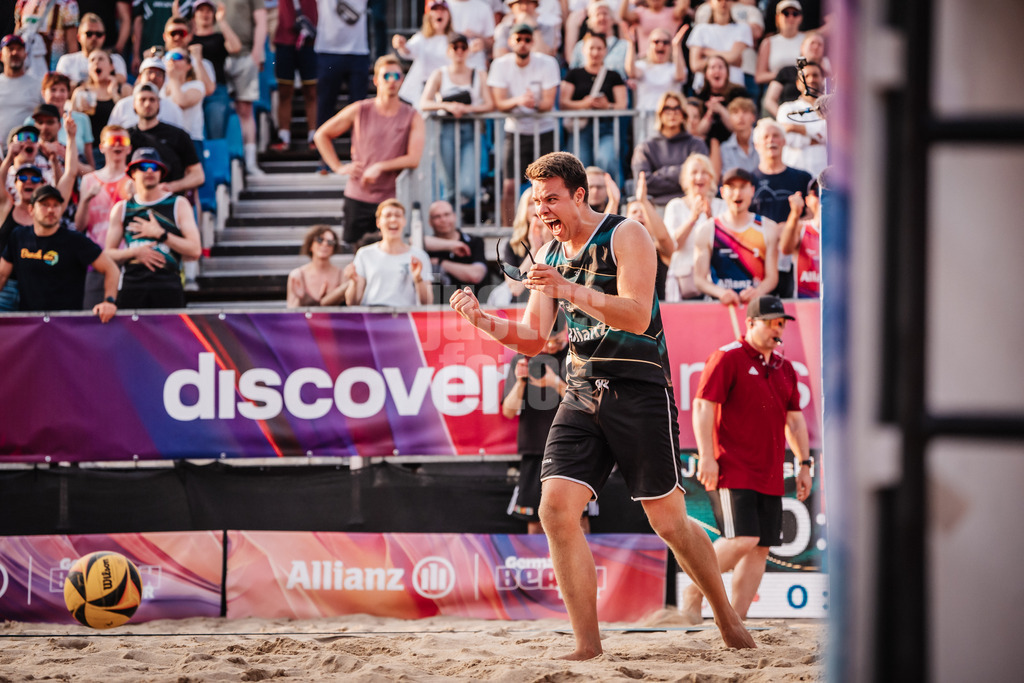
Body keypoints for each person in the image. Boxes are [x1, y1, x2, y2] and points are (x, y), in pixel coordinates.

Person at [449, 151, 756, 658]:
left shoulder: (625, 234)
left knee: (669, 523)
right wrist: (482, 321)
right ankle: (588, 647)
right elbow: (534, 338)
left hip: (639, 387)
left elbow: (636, 316)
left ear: (579, 195)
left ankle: (726, 618)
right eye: (537, 201)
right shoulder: (547, 254)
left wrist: (569, 288)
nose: (542, 209)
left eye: (551, 199)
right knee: (554, 510)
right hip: (582, 390)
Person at [684, 295, 812, 622]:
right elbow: (702, 407)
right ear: (751, 322)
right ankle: (693, 591)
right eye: (770, 323)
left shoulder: (784, 368)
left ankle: (735, 622)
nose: (777, 329)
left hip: (769, 471)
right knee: (743, 539)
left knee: (760, 547)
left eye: (781, 323)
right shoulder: (727, 357)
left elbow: (795, 422)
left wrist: (804, 464)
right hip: (732, 466)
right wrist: (707, 457)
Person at [314, 55, 425, 247]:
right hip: (358, 194)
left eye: (396, 76)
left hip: (392, 197)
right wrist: (338, 167)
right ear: (376, 80)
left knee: (391, 249)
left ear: (402, 80)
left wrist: (380, 166)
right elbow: (321, 135)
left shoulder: (412, 115)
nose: (391, 81)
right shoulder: (360, 109)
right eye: (386, 76)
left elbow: (413, 159)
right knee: (357, 252)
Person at [503, 320, 585, 534]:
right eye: (547, 341)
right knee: (534, 520)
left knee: (578, 519)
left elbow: (585, 404)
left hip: (571, 448)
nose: (551, 346)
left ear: (566, 331)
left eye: (557, 341)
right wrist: (521, 382)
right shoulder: (523, 358)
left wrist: (555, 382)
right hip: (535, 448)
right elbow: (508, 411)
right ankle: (539, 558)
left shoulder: (577, 356)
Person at [0, 184, 119, 320]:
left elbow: (111, 269)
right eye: (45, 205)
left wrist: (109, 301)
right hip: (30, 323)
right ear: (31, 209)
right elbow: (2, 274)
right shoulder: (18, 236)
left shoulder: (75, 240)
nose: (51, 210)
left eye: (56, 205)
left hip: (66, 324)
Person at [104, 148, 202, 308]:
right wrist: (135, 252)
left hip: (168, 285)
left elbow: (195, 250)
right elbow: (108, 254)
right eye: (143, 167)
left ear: (161, 173)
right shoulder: (122, 208)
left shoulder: (178, 204)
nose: (149, 171)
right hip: (132, 286)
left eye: (154, 167)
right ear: (133, 173)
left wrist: (161, 234)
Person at [487, 23, 561, 226]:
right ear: (510, 41)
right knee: (509, 185)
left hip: (545, 130)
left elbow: (548, 102)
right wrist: (519, 101)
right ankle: (508, 229)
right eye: (518, 39)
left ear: (533, 42)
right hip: (515, 131)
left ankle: (550, 226)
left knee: (549, 185)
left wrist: (532, 103)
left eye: (527, 39)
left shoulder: (547, 63)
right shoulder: (500, 64)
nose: (523, 43)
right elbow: (499, 102)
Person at [419, 33, 494, 208]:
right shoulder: (439, 74)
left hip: (470, 130)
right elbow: (424, 102)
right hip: (446, 130)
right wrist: (448, 106)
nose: (459, 51)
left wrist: (467, 109)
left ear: (468, 51)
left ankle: (460, 213)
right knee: (450, 187)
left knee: (468, 187)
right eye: (455, 47)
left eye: (463, 47)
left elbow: (490, 104)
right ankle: (451, 220)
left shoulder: (479, 74)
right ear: (448, 51)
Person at [693, 166, 779, 305]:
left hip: (756, 307)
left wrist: (757, 292)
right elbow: (699, 279)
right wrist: (720, 293)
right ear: (722, 192)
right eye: (732, 187)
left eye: (743, 187)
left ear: (752, 190)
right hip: (720, 306)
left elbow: (772, 278)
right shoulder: (707, 229)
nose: (737, 193)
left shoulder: (768, 228)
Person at [75, 125, 133, 308]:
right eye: (112, 140)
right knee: (91, 316)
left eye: (122, 141)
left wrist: (134, 199)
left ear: (129, 148)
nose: (117, 145)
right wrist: (85, 200)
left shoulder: (135, 180)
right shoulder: (89, 179)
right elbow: (79, 226)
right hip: (96, 260)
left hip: (127, 259)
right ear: (101, 147)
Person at [559, 31, 628, 183]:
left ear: (605, 51)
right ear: (583, 50)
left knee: (606, 159)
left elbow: (622, 104)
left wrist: (607, 106)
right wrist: (584, 104)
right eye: (591, 48)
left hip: (606, 128)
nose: (595, 52)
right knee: (579, 166)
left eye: (599, 48)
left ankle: (612, 194)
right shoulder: (573, 74)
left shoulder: (614, 76)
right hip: (580, 129)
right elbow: (563, 102)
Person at [346, 199, 433, 307]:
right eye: (388, 215)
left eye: (398, 215)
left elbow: (428, 303)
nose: (393, 219)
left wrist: (418, 279)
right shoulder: (364, 254)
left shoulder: (420, 256)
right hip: (372, 314)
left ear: (404, 221)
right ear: (378, 222)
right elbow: (352, 303)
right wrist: (354, 282)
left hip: (405, 315)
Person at [663, 153, 726, 301]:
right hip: (682, 282)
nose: (699, 177)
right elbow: (672, 246)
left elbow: (726, 246)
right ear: (685, 179)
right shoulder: (675, 206)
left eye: (704, 172)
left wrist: (711, 220)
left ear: (711, 177)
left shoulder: (722, 205)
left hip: (716, 281)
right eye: (694, 172)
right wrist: (692, 219)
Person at [631, 91, 710, 206]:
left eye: (677, 109)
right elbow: (643, 183)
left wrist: (662, 173)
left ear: (683, 113)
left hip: (689, 205)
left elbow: (700, 179)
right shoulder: (645, 147)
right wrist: (683, 175)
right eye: (667, 109)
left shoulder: (696, 144)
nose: (672, 113)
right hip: (655, 207)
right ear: (660, 113)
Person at [127, 82, 205, 195]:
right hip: (136, 199)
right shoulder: (126, 137)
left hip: (171, 199)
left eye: (152, 100)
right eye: (142, 100)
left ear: (159, 104)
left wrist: (170, 187)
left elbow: (198, 176)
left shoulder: (178, 135)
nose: (147, 104)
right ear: (134, 104)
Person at [313, 0, 371, 148]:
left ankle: (360, 151)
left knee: (359, 108)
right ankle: (323, 154)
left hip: (358, 51)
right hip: (328, 51)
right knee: (325, 104)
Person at [220, 0, 268, 175]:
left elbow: (261, 21)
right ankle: (225, 163)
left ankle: (250, 162)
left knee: (245, 110)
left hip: (245, 56)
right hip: (216, 56)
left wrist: (256, 53)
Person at [190, 0, 243, 140]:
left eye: (208, 11)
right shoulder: (189, 40)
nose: (205, 14)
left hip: (217, 91)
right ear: (194, 15)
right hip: (193, 91)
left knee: (216, 136)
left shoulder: (219, 38)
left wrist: (222, 21)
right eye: (201, 10)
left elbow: (236, 47)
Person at [624, 25, 687, 141]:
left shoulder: (673, 67)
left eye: (665, 42)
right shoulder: (642, 66)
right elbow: (631, 72)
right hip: (646, 120)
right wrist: (631, 45)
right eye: (656, 41)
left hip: (670, 119)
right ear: (649, 45)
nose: (661, 45)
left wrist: (677, 46)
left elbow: (680, 76)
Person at [270, 0, 318, 151]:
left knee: (311, 91)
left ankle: (314, 136)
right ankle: (284, 136)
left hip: (310, 38)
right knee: (284, 91)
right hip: (284, 39)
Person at [393, 0, 455, 109]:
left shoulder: (455, 40)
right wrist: (401, 45)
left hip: (445, 91)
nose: (439, 13)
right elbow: (408, 51)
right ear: (428, 15)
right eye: (435, 10)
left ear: (448, 15)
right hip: (420, 91)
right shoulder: (421, 38)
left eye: (443, 10)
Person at [424, 199, 488, 297]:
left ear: (454, 216)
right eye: (437, 216)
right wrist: (451, 246)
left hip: (471, 303)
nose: (443, 219)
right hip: (438, 305)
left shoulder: (474, 241)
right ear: (430, 222)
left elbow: (476, 275)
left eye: (446, 214)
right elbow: (414, 241)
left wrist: (441, 263)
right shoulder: (427, 246)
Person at [687, 0, 753, 93]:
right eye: (719, 0)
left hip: (734, 89)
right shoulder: (700, 29)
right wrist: (730, 60)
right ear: (710, 2)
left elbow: (733, 56)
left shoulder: (743, 28)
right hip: (703, 90)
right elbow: (695, 65)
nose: (723, 3)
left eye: (727, 0)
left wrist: (707, 52)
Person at [776, 60, 827, 178]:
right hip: (794, 175)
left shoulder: (832, 109)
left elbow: (829, 135)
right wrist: (818, 139)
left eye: (815, 75)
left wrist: (794, 127)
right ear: (798, 84)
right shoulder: (787, 108)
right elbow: (787, 139)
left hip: (823, 175)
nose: (811, 79)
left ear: (822, 80)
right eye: (806, 76)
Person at [106, 58, 186, 130]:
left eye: (159, 74)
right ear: (140, 77)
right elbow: (111, 134)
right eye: (149, 72)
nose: (153, 76)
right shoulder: (123, 105)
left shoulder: (173, 108)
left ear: (164, 80)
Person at [286, 224, 355, 306]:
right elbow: (291, 309)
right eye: (320, 240)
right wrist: (299, 299)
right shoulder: (297, 275)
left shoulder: (342, 275)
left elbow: (350, 306)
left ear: (334, 248)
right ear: (310, 245)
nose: (325, 244)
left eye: (330, 242)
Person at [55, 13, 130, 87]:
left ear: (104, 37)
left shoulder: (115, 59)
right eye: (89, 34)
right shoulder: (67, 61)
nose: (94, 38)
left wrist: (78, 85)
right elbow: (61, 86)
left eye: (99, 34)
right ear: (79, 37)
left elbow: (121, 80)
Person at [693, 54, 751, 147]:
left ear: (727, 73)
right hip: (707, 145)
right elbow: (697, 132)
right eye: (712, 67)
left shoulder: (739, 94)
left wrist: (720, 109)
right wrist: (710, 113)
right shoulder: (700, 97)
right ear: (706, 74)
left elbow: (739, 127)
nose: (717, 71)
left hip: (734, 145)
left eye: (720, 67)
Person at [0, 35, 45, 153]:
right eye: (10, 49)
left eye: (19, 49)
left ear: (25, 54)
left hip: (29, 152)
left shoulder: (38, 85)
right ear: (1, 55)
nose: (15, 53)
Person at [779, 177, 820, 298]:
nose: (822, 197)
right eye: (817, 192)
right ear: (807, 200)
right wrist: (795, 213)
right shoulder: (801, 228)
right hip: (805, 303)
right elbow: (785, 249)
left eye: (829, 192)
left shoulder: (845, 232)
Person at [755, 0, 805, 87]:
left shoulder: (807, 40)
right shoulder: (768, 42)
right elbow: (759, 76)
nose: (791, 17)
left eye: (795, 14)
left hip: (802, 87)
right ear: (777, 18)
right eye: (786, 13)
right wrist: (783, 74)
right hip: (777, 88)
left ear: (800, 18)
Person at [712, 96, 759, 179]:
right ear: (730, 119)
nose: (740, 116)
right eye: (735, 112)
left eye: (745, 112)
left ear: (753, 117)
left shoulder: (763, 141)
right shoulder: (725, 148)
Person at [617, 0, 681, 60]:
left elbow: (683, 7)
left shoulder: (673, 12)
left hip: (669, 59)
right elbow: (624, 15)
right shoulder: (640, 13)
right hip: (645, 59)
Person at [494, 0, 558, 59]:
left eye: (528, 3)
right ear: (512, 7)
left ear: (535, 5)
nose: (524, 7)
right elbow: (499, 57)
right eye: (520, 3)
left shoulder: (547, 28)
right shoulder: (503, 29)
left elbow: (546, 56)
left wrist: (534, 28)